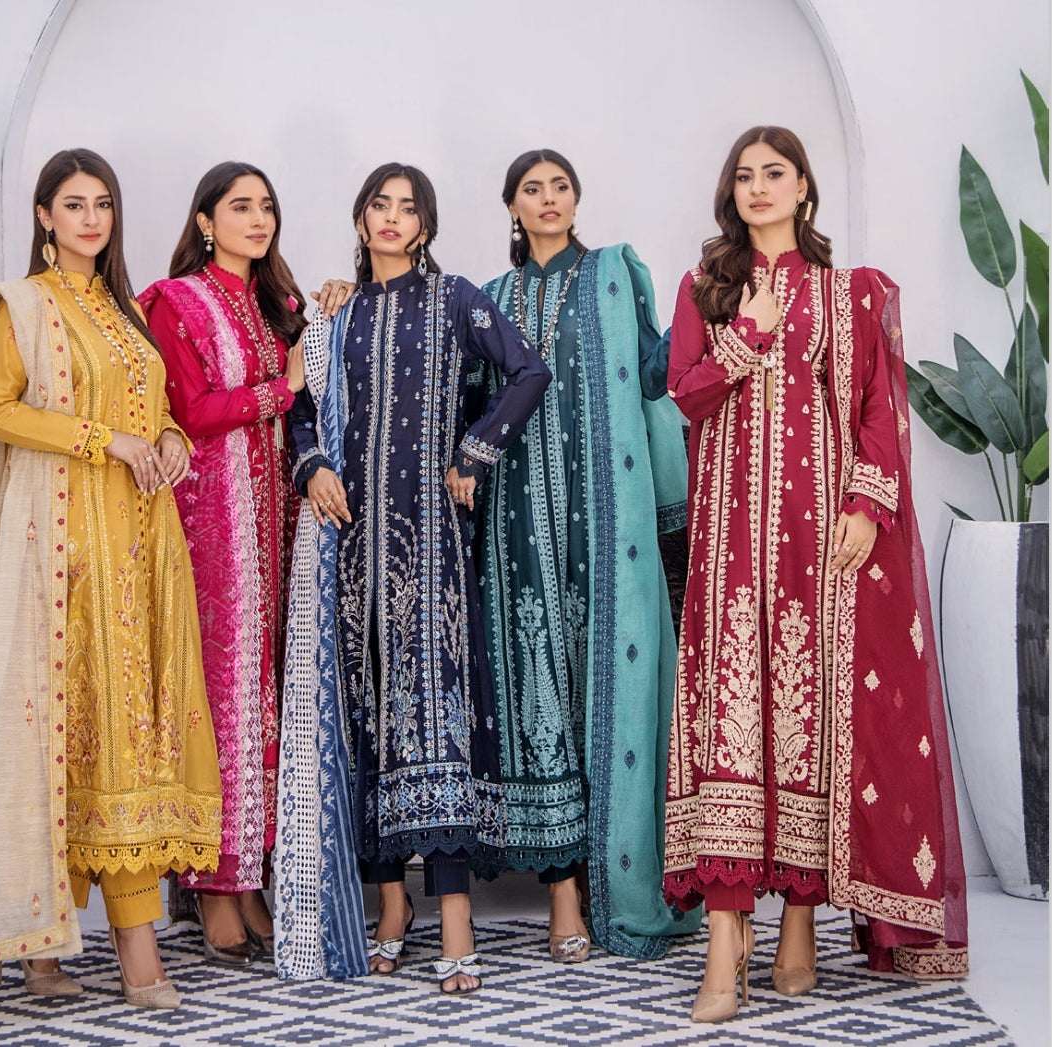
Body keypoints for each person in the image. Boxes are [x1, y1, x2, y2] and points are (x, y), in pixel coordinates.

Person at [662, 126, 969, 1023]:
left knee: (809, 721)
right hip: (729, 541)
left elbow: (877, 405)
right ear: (730, 192)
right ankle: (725, 939)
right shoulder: (705, 288)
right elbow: (685, 392)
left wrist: (866, 504)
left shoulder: (850, 293)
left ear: (803, 189)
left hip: (818, 537)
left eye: (775, 173)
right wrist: (746, 335)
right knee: (729, 722)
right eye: (744, 175)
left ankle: (798, 919)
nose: (757, 187)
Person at [0, 148, 222, 1009]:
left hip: (142, 544)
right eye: (74, 204)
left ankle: (75, 942)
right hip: (64, 552)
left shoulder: (125, 311)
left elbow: (153, 406)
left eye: (103, 205)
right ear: (44, 215)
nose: (91, 218)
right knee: (73, 734)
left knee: (133, 733)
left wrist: (168, 437)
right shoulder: (24, 304)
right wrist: (105, 441)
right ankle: (105, 944)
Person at [273, 162, 550, 994]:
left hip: (429, 541)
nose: (391, 218)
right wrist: (311, 466)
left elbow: (528, 369)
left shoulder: (453, 298)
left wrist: (475, 451)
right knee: (364, 715)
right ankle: (391, 908)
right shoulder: (336, 315)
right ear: (361, 219)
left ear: (425, 226)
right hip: (348, 543)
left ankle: (455, 916)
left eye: (407, 208)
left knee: (434, 717)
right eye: (379, 205)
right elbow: (299, 406)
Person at [472, 149, 699, 962]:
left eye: (560, 187)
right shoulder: (489, 298)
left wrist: (702, 308)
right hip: (515, 524)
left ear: (576, 199)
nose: (548, 199)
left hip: (608, 520)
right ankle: (561, 891)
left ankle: (624, 880)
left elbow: (652, 372)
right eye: (531, 189)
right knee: (539, 690)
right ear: (511, 206)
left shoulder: (611, 274)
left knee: (612, 690)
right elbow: (472, 401)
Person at [140, 161, 309, 967]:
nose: (258, 219)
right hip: (211, 523)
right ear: (205, 221)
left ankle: (252, 874)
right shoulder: (176, 302)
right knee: (220, 694)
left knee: (267, 692)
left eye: (266, 206)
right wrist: (282, 389)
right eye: (240, 206)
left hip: (275, 524)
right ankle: (212, 882)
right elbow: (189, 410)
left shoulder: (279, 303)